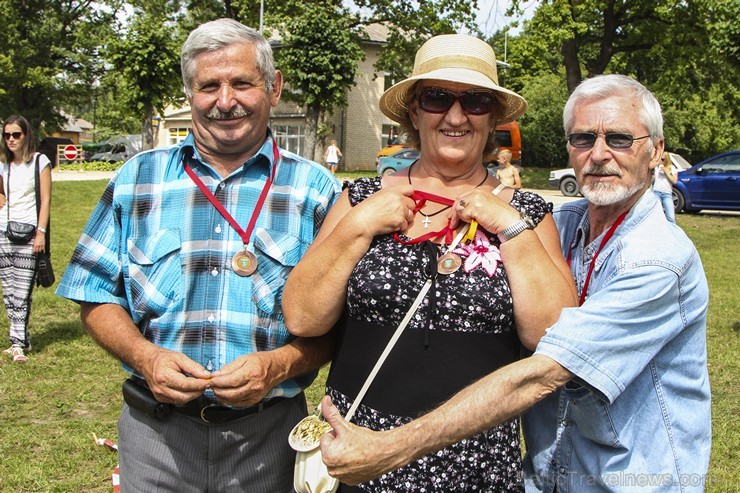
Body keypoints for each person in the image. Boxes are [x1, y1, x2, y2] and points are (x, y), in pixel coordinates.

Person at [313, 74, 711, 493]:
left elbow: (542, 373)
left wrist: (392, 449)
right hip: (550, 475)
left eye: (619, 138)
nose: (598, 155)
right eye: (581, 139)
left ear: (656, 150)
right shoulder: (566, 223)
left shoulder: (658, 260)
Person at [56, 19, 341, 491]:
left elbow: (343, 321)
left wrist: (279, 366)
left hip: (268, 440)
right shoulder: (137, 179)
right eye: (209, 85)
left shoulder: (318, 192)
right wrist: (144, 357)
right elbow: (92, 293)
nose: (225, 101)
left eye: (242, 83)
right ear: (190, 92)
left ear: (273, 88)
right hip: (156, 437)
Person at [283, 34, 577, 492]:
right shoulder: (360, 199)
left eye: (475, 101)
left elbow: (553, 337)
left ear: (493, 115)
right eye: (437, 97)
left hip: (474, 465)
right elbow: (302, 317)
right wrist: (357, 227)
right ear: (414, 112)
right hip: (360, 456)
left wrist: (510, 229)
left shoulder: (527, 214)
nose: (455, 116)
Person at [0, 115, 52, 364]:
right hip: (3, 232)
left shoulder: (40, 162)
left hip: (29, 232)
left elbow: (46, 200)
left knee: (22, 290)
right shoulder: (3, 164)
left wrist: (40, 232)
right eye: (7, 135)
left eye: (16, 134)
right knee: (8, 291)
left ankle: (18, 344)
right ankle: (19, 340)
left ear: (26, 135)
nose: (11, 139)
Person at [653, 152, 678, 222]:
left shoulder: (672, 168)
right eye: (660, 158)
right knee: (657, 215)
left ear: (667, 159)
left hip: (667, 193)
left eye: (663, 159)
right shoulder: (656, 168)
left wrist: (666, 172)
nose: (661, 160)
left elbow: (674, 181)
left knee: (671, 217)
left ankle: (673, 231)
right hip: (656, 192)